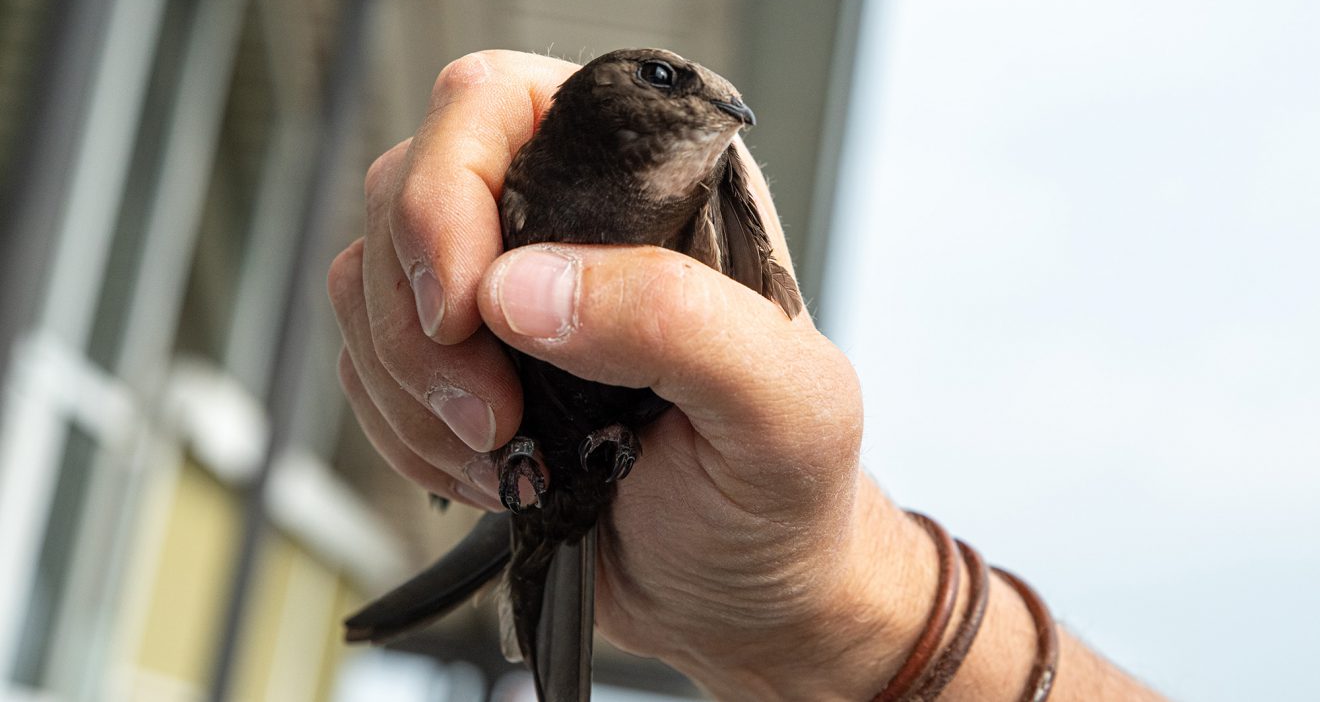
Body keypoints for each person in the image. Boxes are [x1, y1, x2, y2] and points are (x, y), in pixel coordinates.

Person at [326, 49, 1163, 701]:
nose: (725, 107)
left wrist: (830, 601)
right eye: (666, 79)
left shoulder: (705, 196)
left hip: (594, 452)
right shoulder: (529, 165)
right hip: (541, 441)